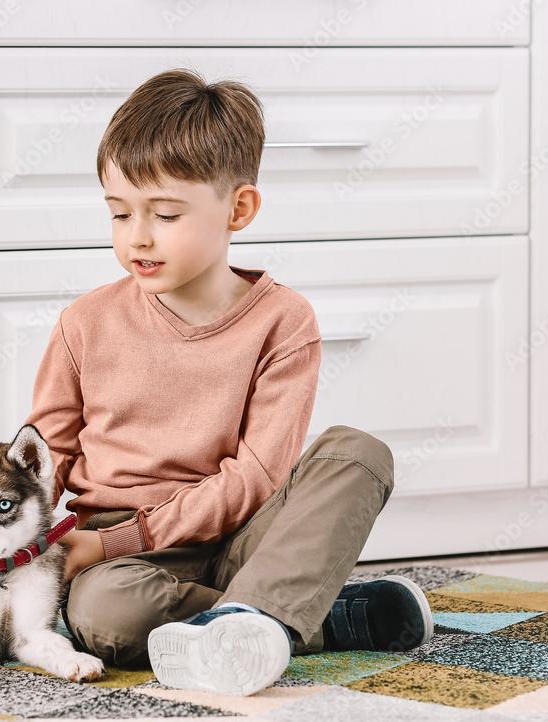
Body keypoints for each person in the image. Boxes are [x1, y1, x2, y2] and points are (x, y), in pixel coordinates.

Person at [24, 68, 433, 697]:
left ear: (238, 208)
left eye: (164, 214)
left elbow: (256, 478)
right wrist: (34, 547)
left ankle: (248, 615)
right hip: (117, 554)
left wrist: (132, 536)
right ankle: (306, 612)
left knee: (357, 454)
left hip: (244, 530)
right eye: (119, 213)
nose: (138, 236)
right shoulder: (84, 323)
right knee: (106, 617)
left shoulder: (283, 320)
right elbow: (43, 458)